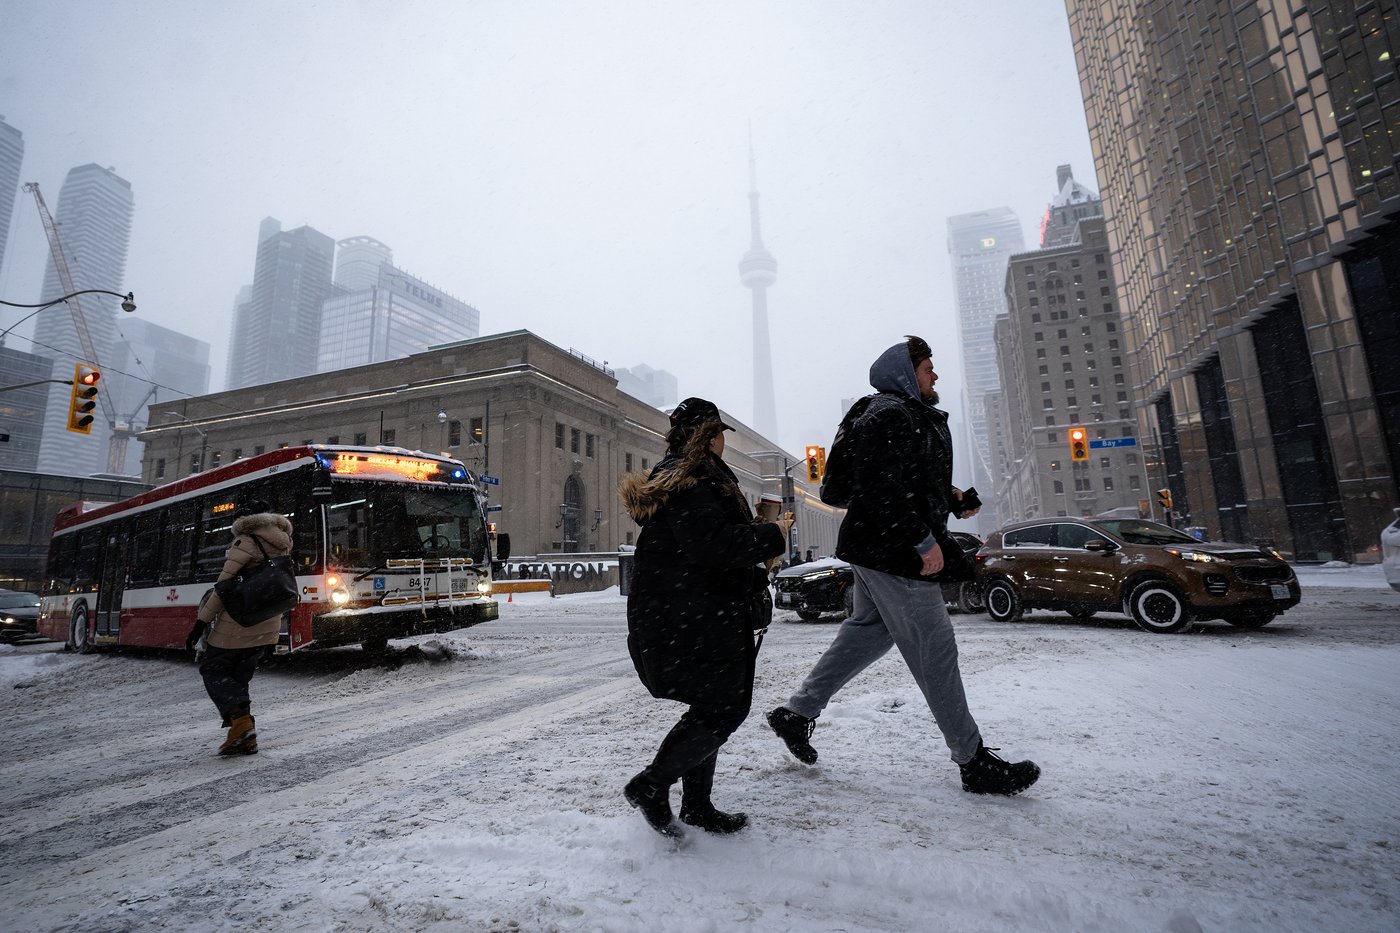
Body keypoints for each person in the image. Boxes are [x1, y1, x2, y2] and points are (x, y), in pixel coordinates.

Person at [766, 336, 1041, 796]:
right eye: (928, 368)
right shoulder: (890, 414)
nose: (935, 376)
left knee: (865, 635)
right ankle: (972, 761)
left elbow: (902, 479)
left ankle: (796, 714)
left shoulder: (901, 414)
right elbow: (877, 488)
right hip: (894, 552)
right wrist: (922, 540)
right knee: (936, 652)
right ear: (906, 372)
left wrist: (952, 498)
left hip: (878, 549)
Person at [619, 397, 792, 837]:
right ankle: (652, 785)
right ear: (708, 436)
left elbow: (705, 541)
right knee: (724, 708)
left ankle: (696, 804)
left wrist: (754, 535)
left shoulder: (686, 478)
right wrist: (773, 533)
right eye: (718, 434)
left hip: (691, 613)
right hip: (693, 616)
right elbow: (713, 545)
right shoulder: (693, 479)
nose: (722, 442)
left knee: (711, 704)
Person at [185, 500, 294, 756]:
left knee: (213, 669)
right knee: (239, 676)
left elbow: (223, 587)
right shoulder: (283, 541)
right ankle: (244, 736)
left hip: (238, 622)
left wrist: (200, 623)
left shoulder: (245, 541)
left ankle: (242, 724)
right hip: (267, 622)